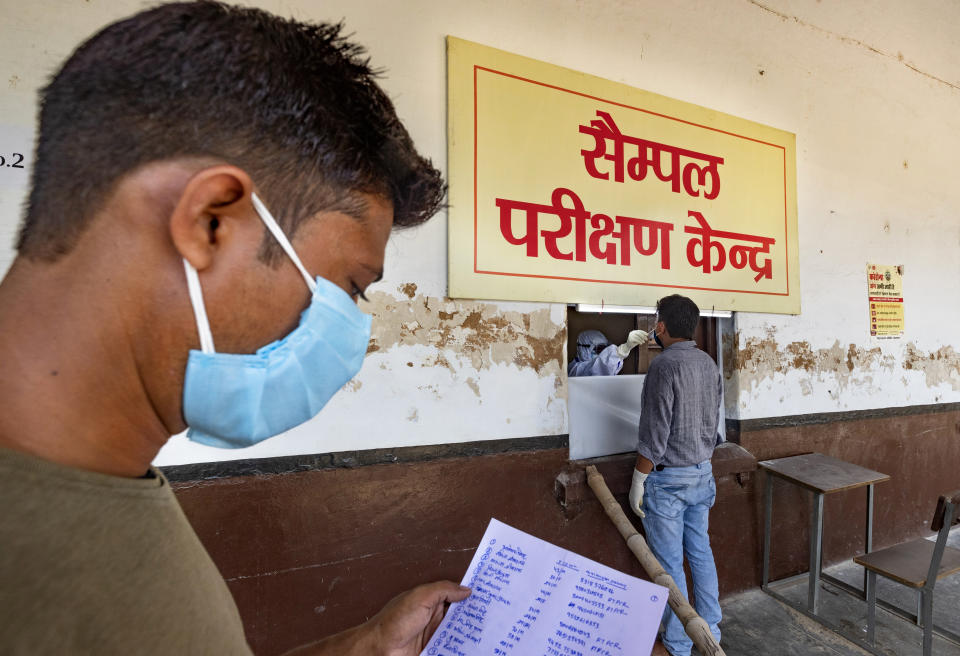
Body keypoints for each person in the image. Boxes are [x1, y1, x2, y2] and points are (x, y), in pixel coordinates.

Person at [0, 2, 469, 654]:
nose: (353, 335)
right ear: (210, 221)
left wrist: (365, 646)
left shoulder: (109, 485)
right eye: (352, 287)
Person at [627, 295, 723, 656]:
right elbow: (713, 425)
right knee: (700, 551)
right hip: (703, 474)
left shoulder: (664, 366)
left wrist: (639, 479)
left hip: (668, 483)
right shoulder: (708, 363)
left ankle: (680, 642)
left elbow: (654, 434)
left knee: (669, 566)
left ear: (662, 327)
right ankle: (711, 629)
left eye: (656, 321)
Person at [568, 328, 649, 376]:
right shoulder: (575, 370)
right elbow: (596, 368)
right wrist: (624, 349)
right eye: (598, 349)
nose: (602, 354)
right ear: (583, 349)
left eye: (604, 349)